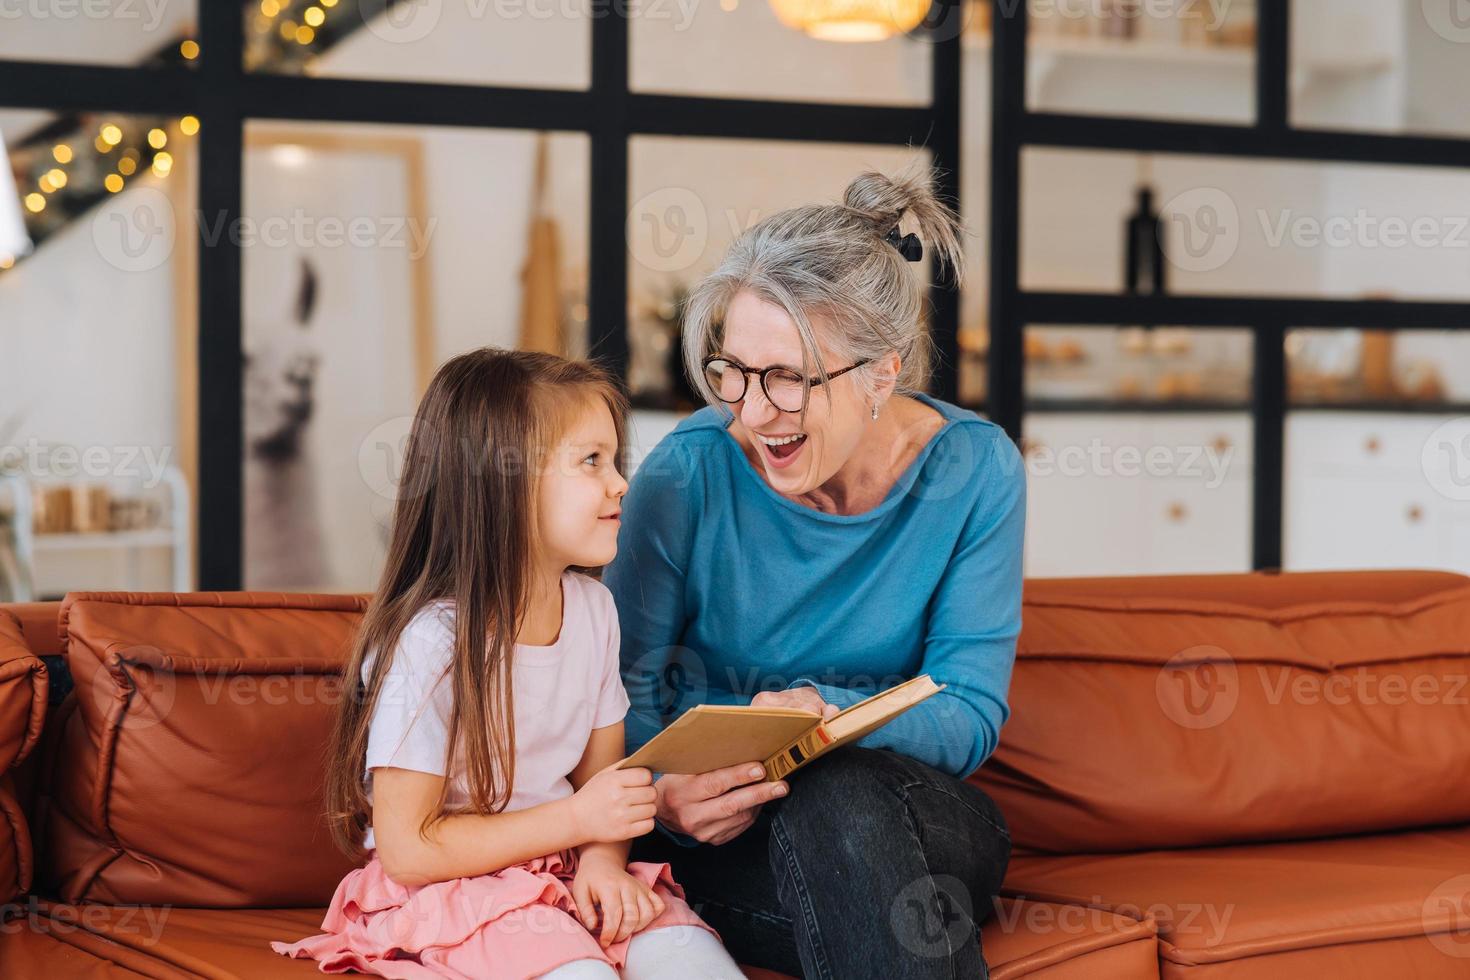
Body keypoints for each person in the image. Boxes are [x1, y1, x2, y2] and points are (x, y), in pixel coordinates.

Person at [607, 167, 1025, 979]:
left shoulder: (976, 471)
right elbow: (620, 694)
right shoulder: (687, 475)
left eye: (791, 378)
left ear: (882, 372)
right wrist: (662, 794)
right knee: (860, 882)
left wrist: (824, 721)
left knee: (841, 792)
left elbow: (969, 711)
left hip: (914, 817)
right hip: (728, 841)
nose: (755, 411)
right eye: (733, 371)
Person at [271, 348, 744, 980]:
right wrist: (577, 820)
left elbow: (606, 789)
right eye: (590, 461)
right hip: (454, 888)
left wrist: (603, 863)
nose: (620, 483)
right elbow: (409, 849)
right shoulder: (431, 644)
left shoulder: (595, 611)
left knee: (697, 967)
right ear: (503, 485)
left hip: (567, 867)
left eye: (615, 459)